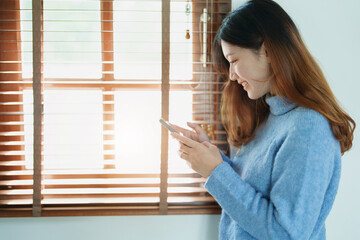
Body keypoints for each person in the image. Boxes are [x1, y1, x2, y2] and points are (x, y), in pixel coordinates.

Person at [169, 0, 356, 239]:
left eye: (234, 60)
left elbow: (286, 234)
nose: (232, 75)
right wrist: (211, 158)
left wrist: (216, 171)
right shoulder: (268, 115)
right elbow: (253, 191)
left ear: (267, 50)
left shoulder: (309, 128)